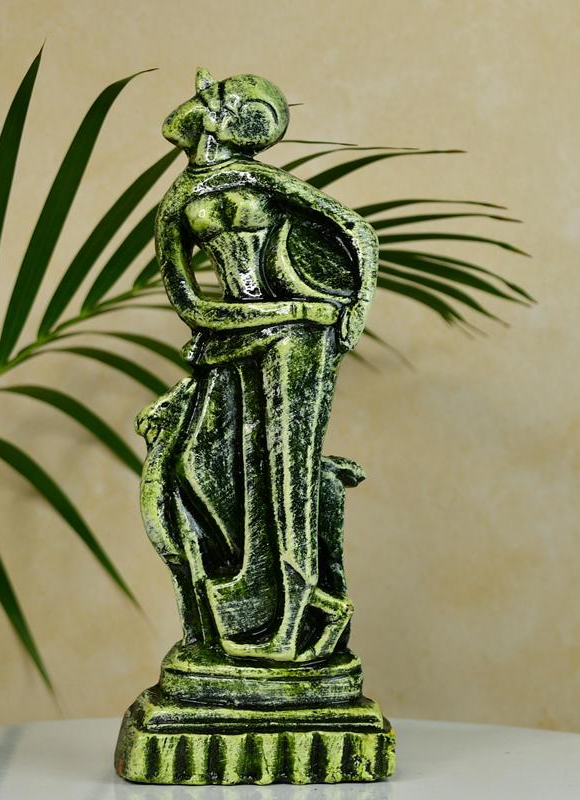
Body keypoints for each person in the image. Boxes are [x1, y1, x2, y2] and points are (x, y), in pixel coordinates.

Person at [138, 68, 378, 662]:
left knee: (286, 472)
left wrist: (348, 317)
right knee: (196, 465)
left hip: (298, 339)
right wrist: (279, 313)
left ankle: (293, 621)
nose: (196, 96)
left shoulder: (258, 178)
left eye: (212, 95)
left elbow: (358, 232)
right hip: (240, 336)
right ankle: (256, 602)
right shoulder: (176, 202)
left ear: (225, 119)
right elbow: (190, 305)